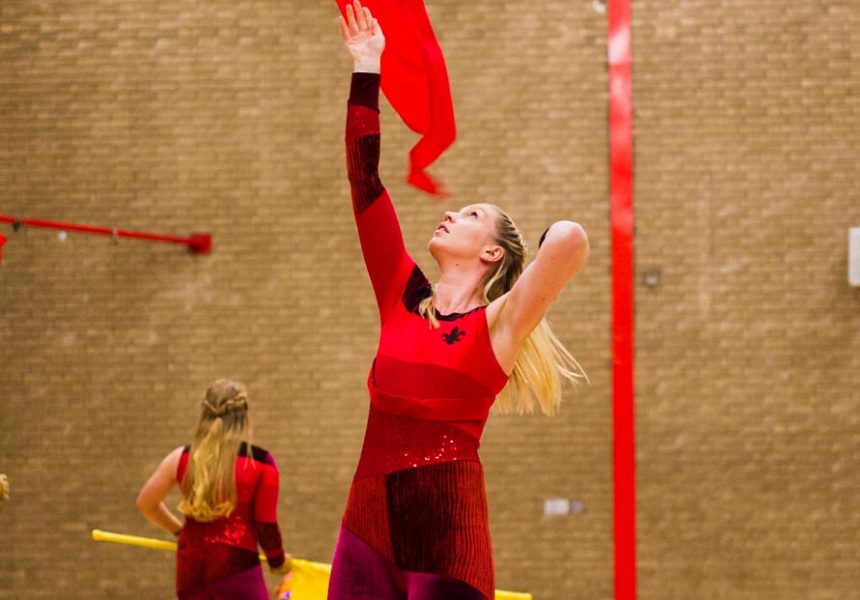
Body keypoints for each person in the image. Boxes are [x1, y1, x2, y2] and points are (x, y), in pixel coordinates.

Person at [329, 3, 591, 599]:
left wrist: (532, 271)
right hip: (365, 523)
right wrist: (367, 64)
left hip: (447, 531)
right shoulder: (400, 295)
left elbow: (571, 239)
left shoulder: (500, 326)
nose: (450, 213)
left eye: (471, 215)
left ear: (493, 254)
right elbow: (364, 179)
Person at [137, 379, 292, 600]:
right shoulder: (261, 463)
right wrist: (278, 561)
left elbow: (146, 503)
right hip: (236, 566)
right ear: (245, 418)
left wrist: (180, 532)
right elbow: (265, 524)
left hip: (191, 568)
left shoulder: (181, 458)